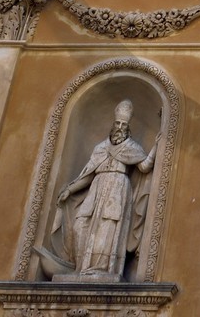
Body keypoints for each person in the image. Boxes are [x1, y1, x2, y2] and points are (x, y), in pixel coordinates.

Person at [55, 100, 156, 278]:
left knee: (108, 228)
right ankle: (81, 269)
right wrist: (69, 190)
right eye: (117, 123)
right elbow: (88, 175)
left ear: (128, 127)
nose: (120, 127)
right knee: (80, 224)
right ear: (113, 124)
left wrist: (157, 146)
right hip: (97, 188)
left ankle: (103, 270)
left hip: (117, 189)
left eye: (124, 124)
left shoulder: (132, 148)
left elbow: (145, 166)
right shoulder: (101, 148)